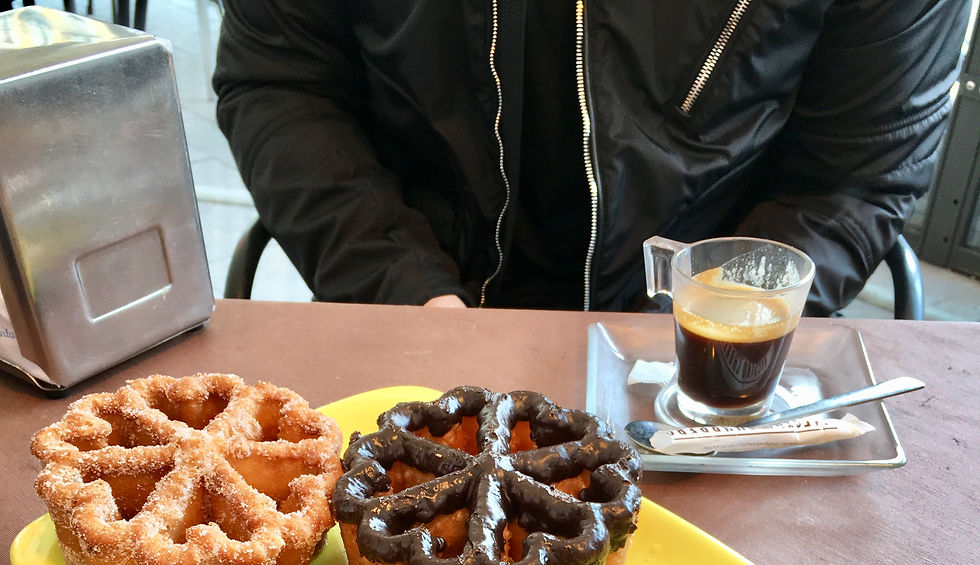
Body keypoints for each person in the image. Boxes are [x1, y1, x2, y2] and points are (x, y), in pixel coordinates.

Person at [213, 0, 969, 316]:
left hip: (697, 341)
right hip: (416, 290)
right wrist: (402, 289)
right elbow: (284, 82)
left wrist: (712, 323)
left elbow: (854, 174)